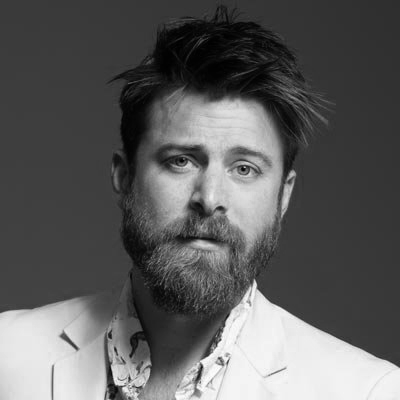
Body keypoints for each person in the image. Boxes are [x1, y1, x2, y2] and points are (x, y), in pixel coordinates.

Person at [0, 6, 399, 400]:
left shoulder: (368, 391)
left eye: (244, 169)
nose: (209, 199)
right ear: (124, 175)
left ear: (284, 195)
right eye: (181, 161)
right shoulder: (8, 354)